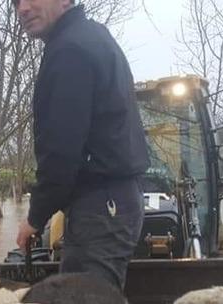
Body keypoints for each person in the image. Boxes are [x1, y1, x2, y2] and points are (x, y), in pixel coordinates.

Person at [14, 0, 149, 289]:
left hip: (101, 206)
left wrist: (35, 218)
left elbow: (61, 151)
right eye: (16, 1)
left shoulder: (69, 51)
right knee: (94, 303)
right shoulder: (93, 36)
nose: (22, 8)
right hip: (115, 201)